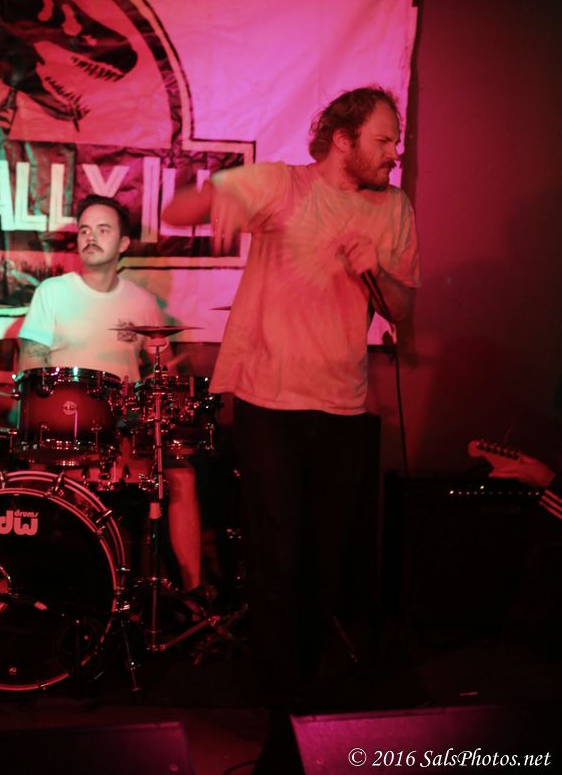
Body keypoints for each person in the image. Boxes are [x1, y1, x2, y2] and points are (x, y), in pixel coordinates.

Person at [163, 87, 421, 705]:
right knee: (276, 550)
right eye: (383, 140)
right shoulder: (284, 185)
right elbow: (178, 209)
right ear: (343, 139)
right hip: (269, 402)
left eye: (395, 140)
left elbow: (403, 309)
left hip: (342, 405)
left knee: (324, 555)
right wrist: (215, 200)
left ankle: (303, 681)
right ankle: (283, 698)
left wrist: (375, 268)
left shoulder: (395, 207)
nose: (394, 152)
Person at [17, 193, 205, 600]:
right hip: (67, 432)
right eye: (84, 229)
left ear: (123, 243)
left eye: (103, 230)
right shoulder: (53, 292)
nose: (91, 237)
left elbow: (163, 371)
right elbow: (31, 365)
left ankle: (194, 595)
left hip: (124, 433)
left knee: (182, 474)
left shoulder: (142, 302)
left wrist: (164, 384)